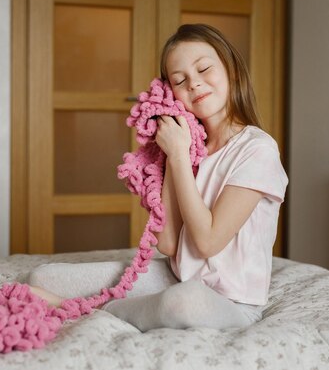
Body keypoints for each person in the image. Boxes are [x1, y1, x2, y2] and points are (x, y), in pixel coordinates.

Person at [29, 24, 288, 332]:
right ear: (170, 92)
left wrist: (178, 155)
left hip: (231, 303)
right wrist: (175, 153)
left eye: (204, 69)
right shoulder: (187, 144)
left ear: (231, 70)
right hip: (176, 275)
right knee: (43, 278)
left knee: (183, 301)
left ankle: (86, 311)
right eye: (180, 80)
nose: (194, 84)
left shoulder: (258, 150)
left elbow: (206, 242)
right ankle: (104, 304)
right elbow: (167, 243)